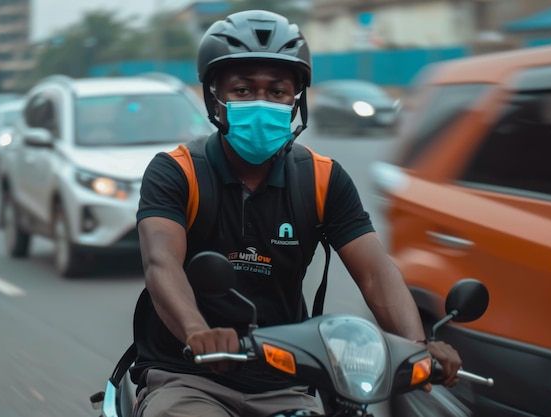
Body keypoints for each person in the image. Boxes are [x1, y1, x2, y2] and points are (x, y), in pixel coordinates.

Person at [134, 9, 462, 417]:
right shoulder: (177, 171)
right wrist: (197, 332)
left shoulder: (322, 180)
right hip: (188, 375)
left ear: (296, 101)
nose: (262, 102)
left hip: (284, 380)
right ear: (214, 98)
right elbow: (162, 262)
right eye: (242, 90)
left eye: (277, 92)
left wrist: (417, 348)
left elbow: (376, 273)